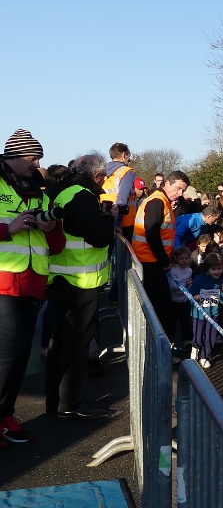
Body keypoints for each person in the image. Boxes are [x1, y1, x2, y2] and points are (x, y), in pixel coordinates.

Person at [0, 130, 65, 444]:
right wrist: (8, 228)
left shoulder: (41, 193)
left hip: (33, 282)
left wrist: (50, 228)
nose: (38, 164)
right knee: (9, 350)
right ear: (13, 158)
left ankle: (6, 416)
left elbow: (58, 244)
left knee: (22, 353)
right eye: (32, 158)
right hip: (3, 282)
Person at [46, 154, 119, 419]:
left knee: (60, 342)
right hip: (81, 280)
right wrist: (109, 217)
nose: (104, 183)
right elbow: (99, 237)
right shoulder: (82, 195)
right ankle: (70, 404)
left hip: (60, 276)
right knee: (76, 345)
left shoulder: (60, 190)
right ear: (96, 175)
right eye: (104, 178)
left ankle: (56, 402)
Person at [133, 170, 190, 341]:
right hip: (150, 261)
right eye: (178, 188)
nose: (180, 193)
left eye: (183, 190)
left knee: (160, 305)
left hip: (152, 260)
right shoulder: (157, 201)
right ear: (167, 184)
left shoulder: (162, 201)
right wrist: (165, 261)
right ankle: (162, 345)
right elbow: (152, 234)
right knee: (161, 306)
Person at [101, 142, 138, 239]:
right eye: (129, 156)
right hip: (123, 223)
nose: (129, 160)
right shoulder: (127, 172)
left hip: (103, 218)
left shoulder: (102, 172)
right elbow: (122, 199)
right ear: (124, 155)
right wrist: (117, 224)